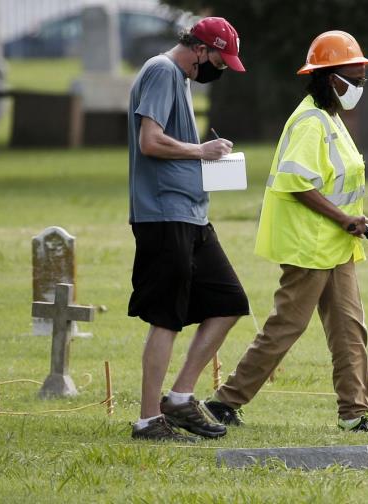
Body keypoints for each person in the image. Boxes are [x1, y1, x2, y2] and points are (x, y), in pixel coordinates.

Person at [204, 31, 368, 434]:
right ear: (332, 79)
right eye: (355, 79)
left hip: (337, 243)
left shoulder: (331, 118)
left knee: (350, 329)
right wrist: (343, 219)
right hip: (309, 246)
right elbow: (297, 184)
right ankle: (223, 403)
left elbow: (334, 183)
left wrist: (361, 218)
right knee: (287, 326)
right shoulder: (310, 122)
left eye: (363, 79)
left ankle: (355, 415)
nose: (360, 86)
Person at [127, 17, 249, 442]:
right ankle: (148, 421)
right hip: (164, 214)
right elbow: (150, 141)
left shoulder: (179, 78)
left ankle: (179, 399)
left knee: (229, 301)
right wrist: (202, 150)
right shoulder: (162, 70)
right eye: (219, 60)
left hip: (191, 215)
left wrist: (206, 158)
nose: (220, 69)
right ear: (200, 49)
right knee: (167, 316)